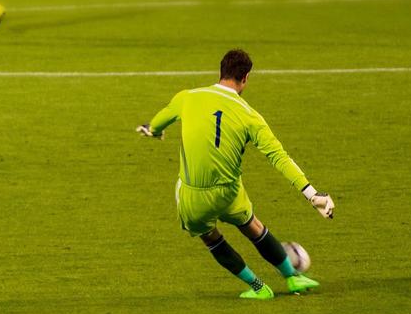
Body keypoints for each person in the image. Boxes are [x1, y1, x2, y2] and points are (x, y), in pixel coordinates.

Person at [136, 49, 336, 299]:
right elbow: (279, 157)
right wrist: (311, 194)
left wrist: (153, 130)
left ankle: (258, 288)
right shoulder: (250, 116)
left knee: (209, 237)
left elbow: (158, 121)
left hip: (194, 196)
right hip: (229, 192)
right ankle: (292, 277)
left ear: (221, 71)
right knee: (253, 226)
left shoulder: (187, 97)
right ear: (245, 78)